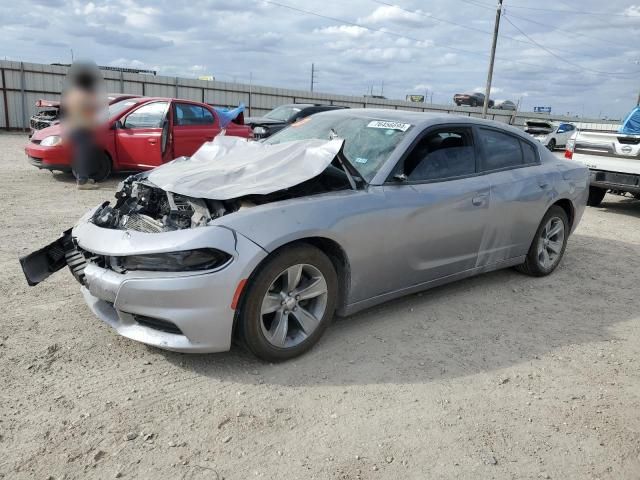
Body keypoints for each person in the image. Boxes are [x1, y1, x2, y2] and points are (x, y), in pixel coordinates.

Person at [62, 61, 105, 190]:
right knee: (83, 155)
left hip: (72, 127)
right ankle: (82, 182)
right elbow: (91, 111)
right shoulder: (86, 96)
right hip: (82, 128)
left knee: (78, 155)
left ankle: (81, 178)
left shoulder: (72, 94)